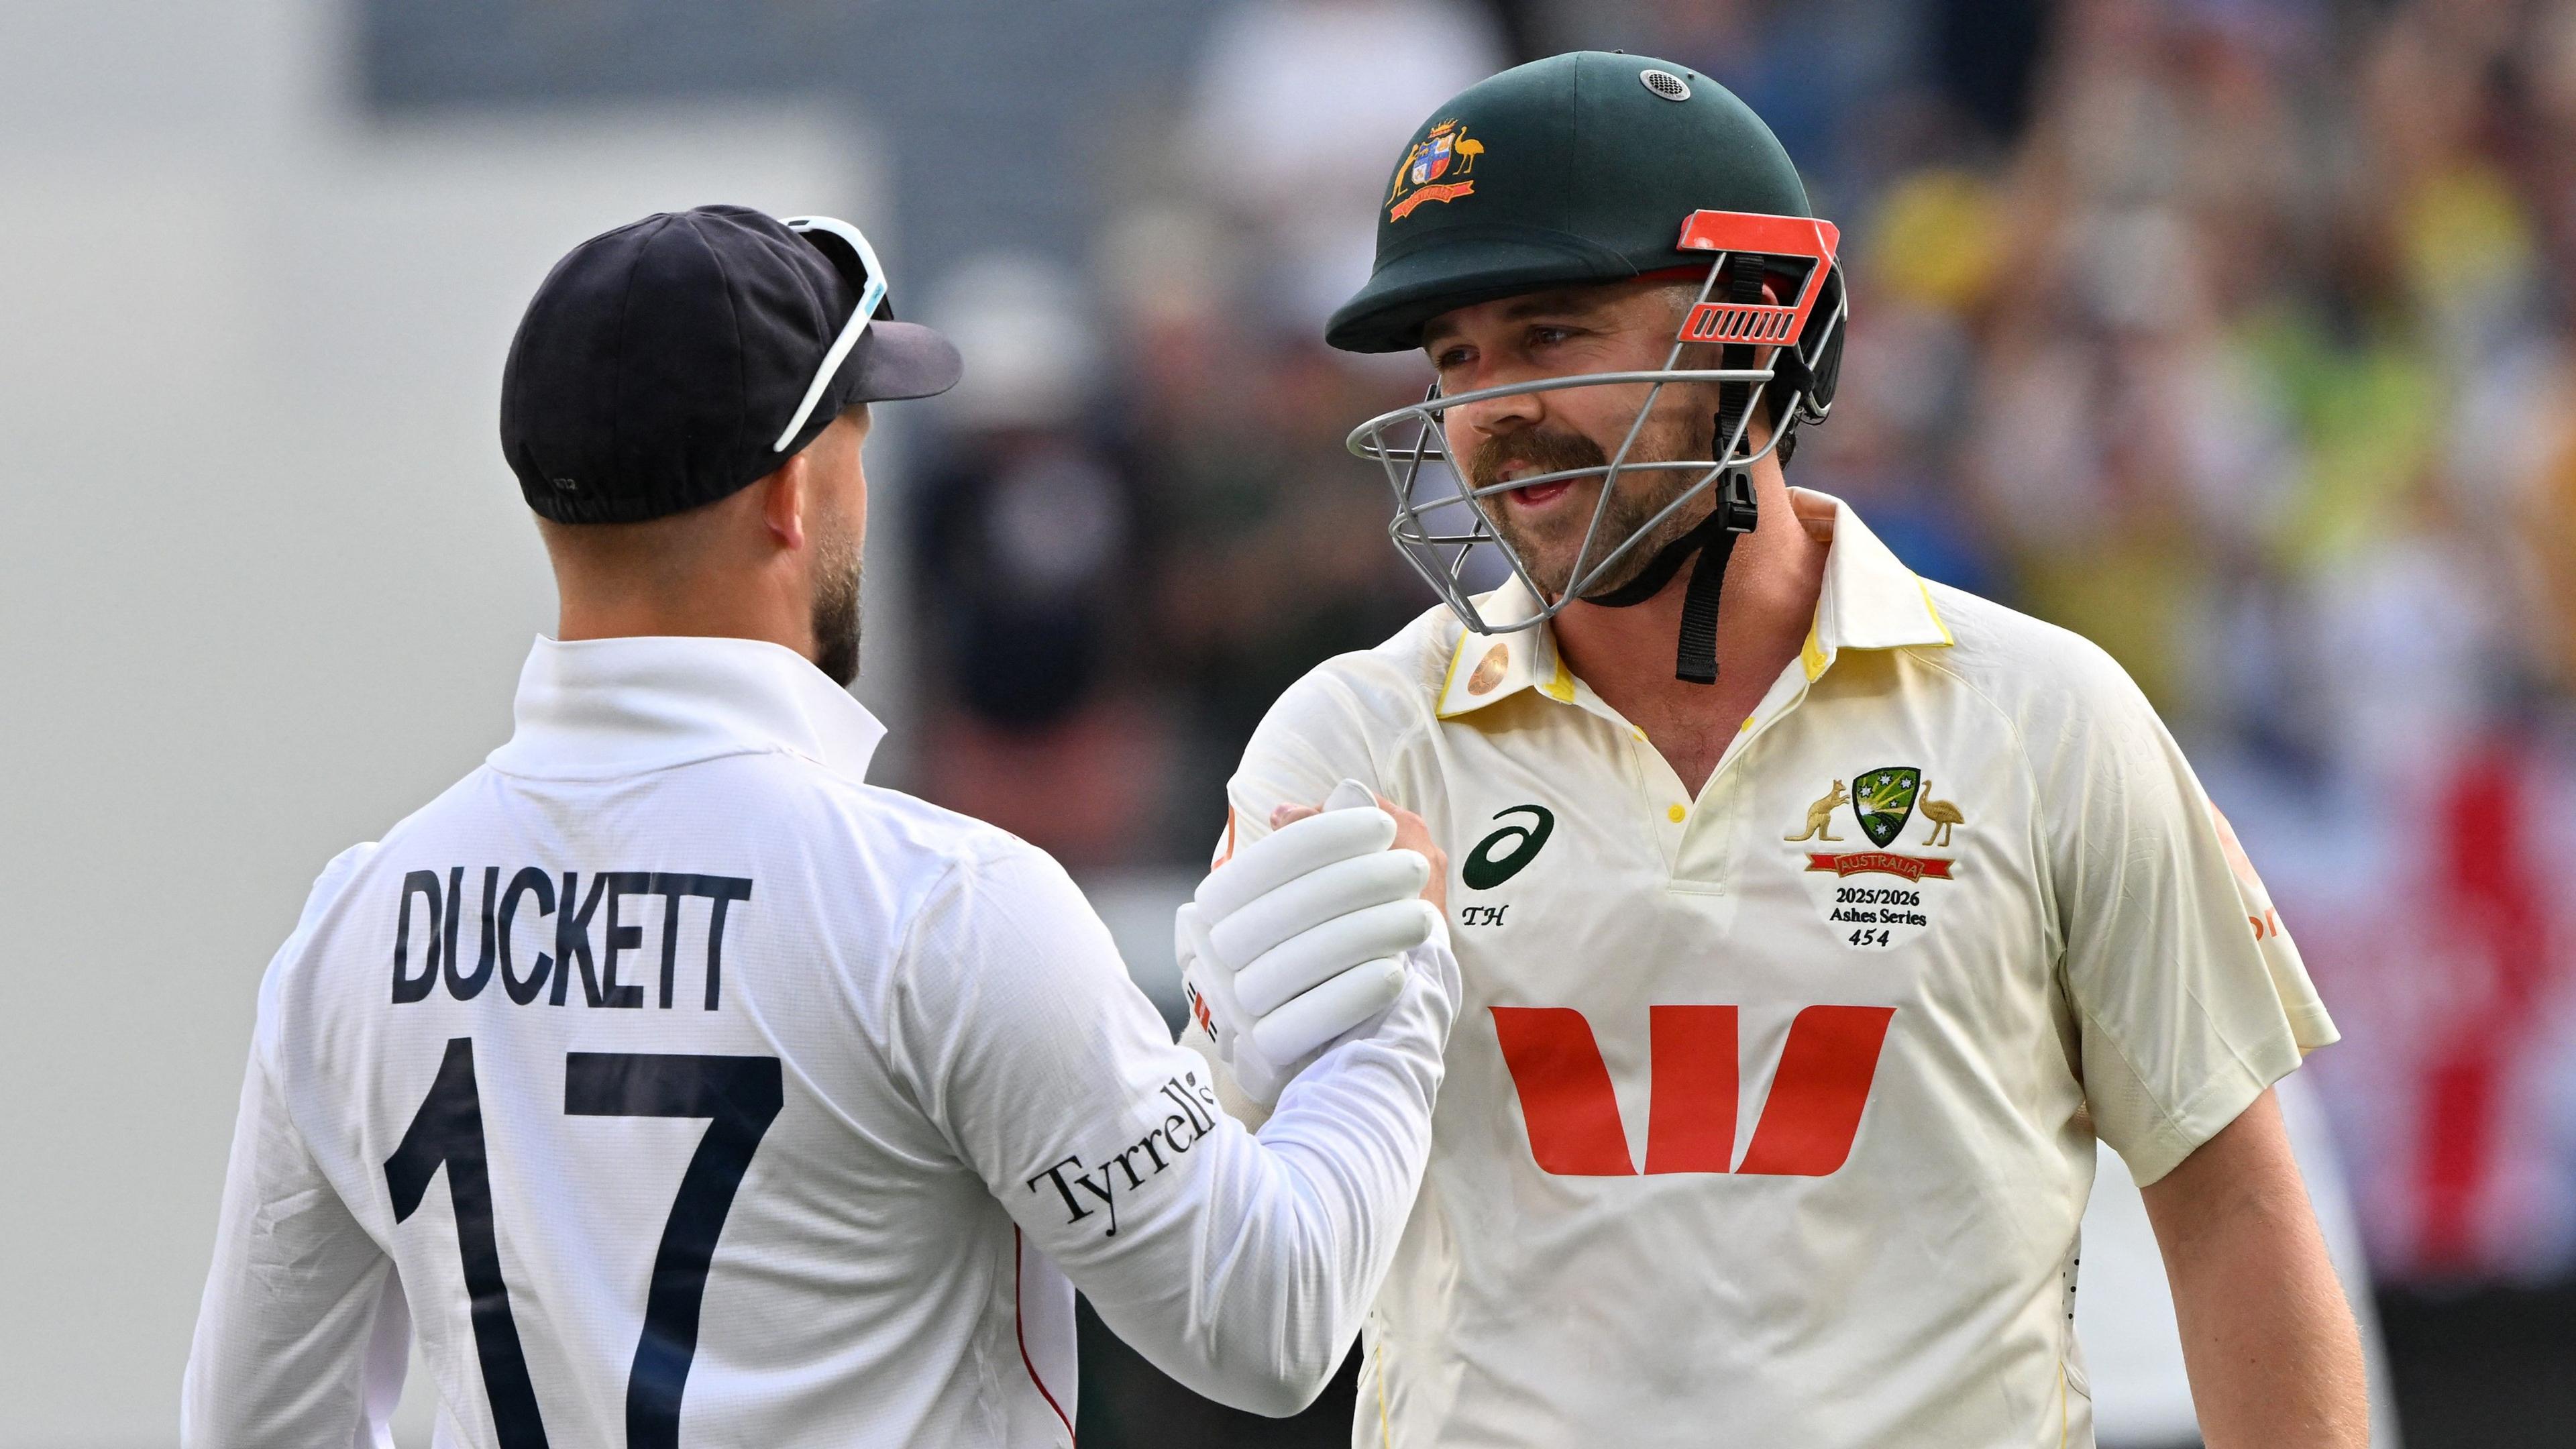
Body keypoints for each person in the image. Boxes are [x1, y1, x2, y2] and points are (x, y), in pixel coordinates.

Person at [1175, 54, 2367, 1447]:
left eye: (1551, 334)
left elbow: (2234, 1208)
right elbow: (1229, 1282)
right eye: (1455, 359)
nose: (1489, 412)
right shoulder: (1358, 742)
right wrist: (1229, 1082)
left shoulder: (2047, 718)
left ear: (1753, 330)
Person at [180, 204, 1459, 1448]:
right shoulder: (941, 906)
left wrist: (1211, 1071)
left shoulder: (352, 926)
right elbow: (1270, 1324)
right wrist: (1396, 993)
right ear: (793, 494)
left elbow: (254, 1425)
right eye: (859, 436)